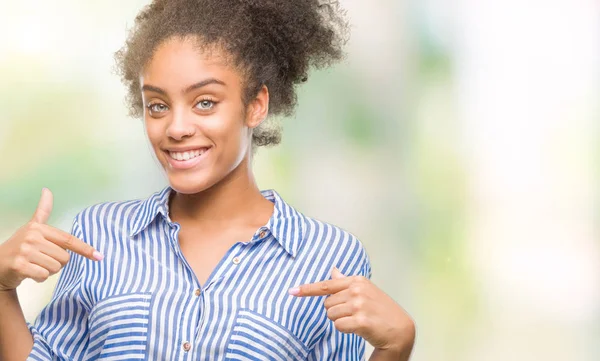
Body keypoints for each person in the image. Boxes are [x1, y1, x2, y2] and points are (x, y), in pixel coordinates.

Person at [0, 0, 416, 360]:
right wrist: (1, 286)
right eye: (158, 106)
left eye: (204, 102)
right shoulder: (98, 235)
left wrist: (395, 349)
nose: (176, 128)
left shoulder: (330, 256)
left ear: (255, 106)